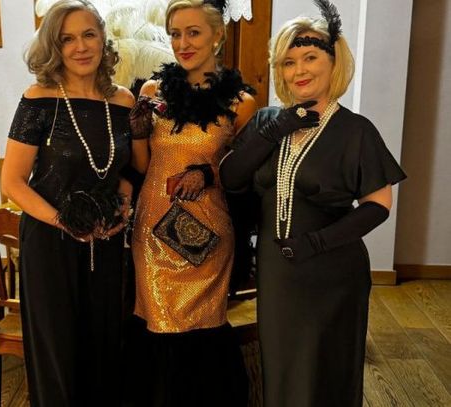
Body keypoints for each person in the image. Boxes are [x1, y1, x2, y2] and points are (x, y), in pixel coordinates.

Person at [219, 0, 406, 406]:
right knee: (282, 368)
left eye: (310, 58)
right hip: (276, 271)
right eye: (289, 62)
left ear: (333, 62)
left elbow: (379, 204)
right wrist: (275, 129)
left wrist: (316, 243)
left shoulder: (356, 130)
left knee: (328, 372)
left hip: (333, 272)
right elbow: (230, 178)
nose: (299, 70)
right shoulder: (268, 121)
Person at [1, 1, 134, 405]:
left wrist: (123, 204)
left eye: (89, 34)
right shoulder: (38, 99)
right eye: (67, 39)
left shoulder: (124, 102)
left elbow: (124, 170)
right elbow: (13, 182)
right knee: (57, 350)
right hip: (50, 241)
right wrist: (64, 222)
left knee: (104, 345)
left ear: (103, 40)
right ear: (54, 47)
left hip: (106, 241)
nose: (81, 47)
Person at [126, 0, 257, 406]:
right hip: (154, 227)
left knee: (204, 323)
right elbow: (143, 166)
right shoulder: (152, 91)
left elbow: (243, 175)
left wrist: (208, 173)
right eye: (175, 34)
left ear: (218, 35)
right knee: (158, 320)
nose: (182, 43)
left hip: (209, 231)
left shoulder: (241, 102)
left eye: (193, 32)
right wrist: (137, 132)